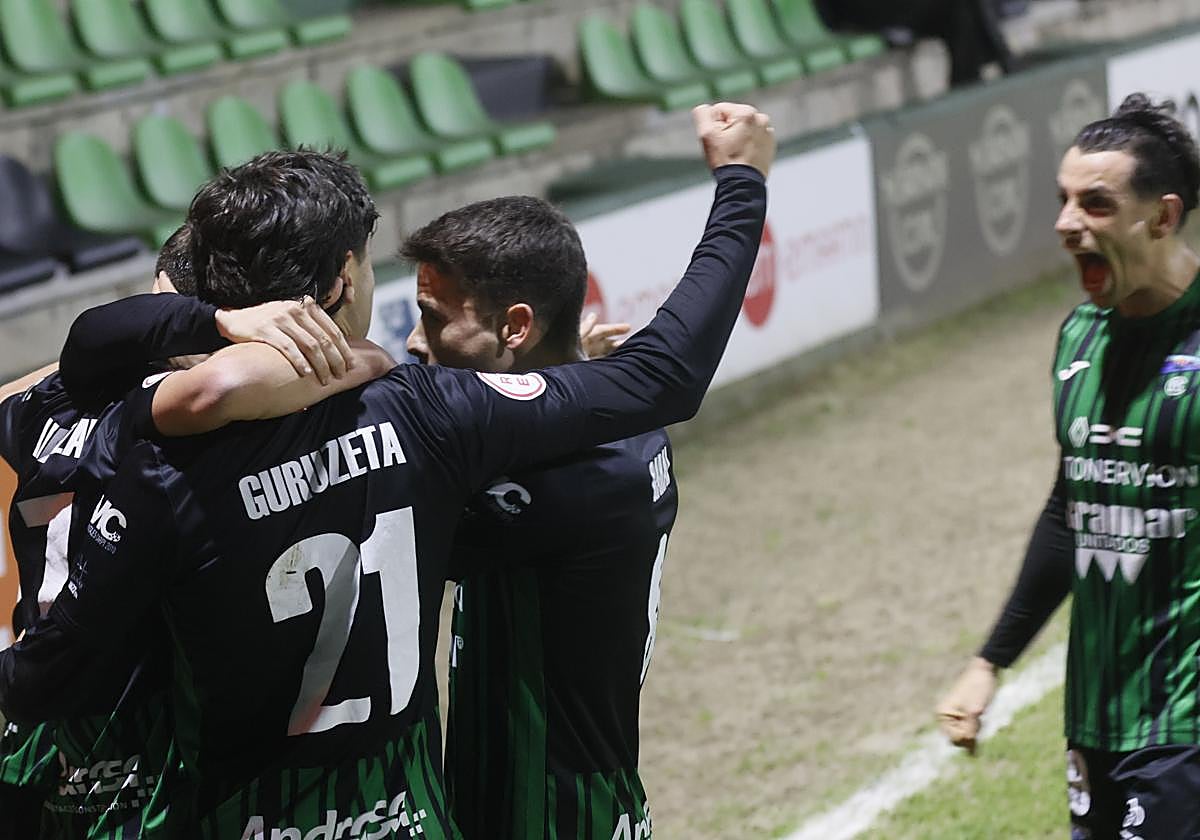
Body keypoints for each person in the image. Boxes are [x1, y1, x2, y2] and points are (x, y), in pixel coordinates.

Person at [0, 102, 772, 839]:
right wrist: (740, 181)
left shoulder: (156, 452)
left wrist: (205, 333)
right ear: (341, 281)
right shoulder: (429, 413)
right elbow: (665, 373)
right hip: (409, 818)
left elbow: (49, 668)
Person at [0, 225, 372, 838]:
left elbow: (50, 372)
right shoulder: (178, 432)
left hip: (35, 728)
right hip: (132, 722)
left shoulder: (47, 401)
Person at [938, 93, 1200, 839]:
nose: (1065, 224)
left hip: (1187, 713)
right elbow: (1070, 511)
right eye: (1062, 201)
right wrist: (990, 661)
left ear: (1162, 215)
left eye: (1095, 203)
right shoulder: (1080, 338)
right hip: (1098, 707)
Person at [402, 196, 675, 838]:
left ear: (515, 329)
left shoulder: (566, 478)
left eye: (433, 318)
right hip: (584, 794)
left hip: (542, 809)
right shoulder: (629, 433)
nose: (415, 343)